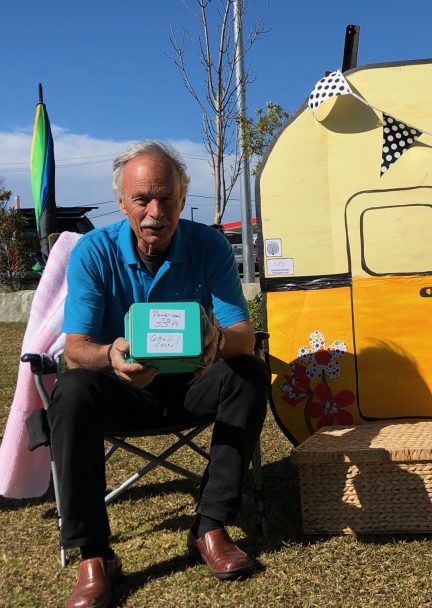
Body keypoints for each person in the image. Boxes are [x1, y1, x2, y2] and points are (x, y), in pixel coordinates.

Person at [48, 141, 267, 608]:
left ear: (183, 200)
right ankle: (94, 555)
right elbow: (74, 349)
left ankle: (210, 525)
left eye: (166, 198)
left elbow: (243, 334)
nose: (155, 211)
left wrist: (216, 341)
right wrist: (112, 357)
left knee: (248, 370)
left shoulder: (208, 246)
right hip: (121, 390)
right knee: (70, 389)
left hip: (191, 383)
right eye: (142, 199)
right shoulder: (93, 251)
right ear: (122, 202)